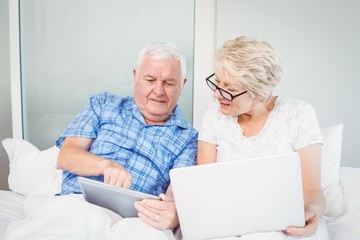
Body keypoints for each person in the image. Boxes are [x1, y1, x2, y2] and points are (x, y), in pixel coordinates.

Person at [55, 41, 198, 232]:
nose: (158, 91)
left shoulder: (189, 139)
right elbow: (66, 156)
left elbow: (173, 197)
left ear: (182, 85)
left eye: (169, 82)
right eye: (150, 80)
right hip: (78, 206)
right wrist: (106, 166)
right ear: (135, 77)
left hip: (137, 222)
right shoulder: (102, 104)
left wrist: (174, 215)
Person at [197, 36, 329, 239]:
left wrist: (309, 213)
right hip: (229, 222)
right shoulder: (213, 115)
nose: (216, 95)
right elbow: (204, 184)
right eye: (217, 83)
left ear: (258, 92)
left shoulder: (298, 114)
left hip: (281, 225)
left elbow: (312, 191)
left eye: (229, 89)